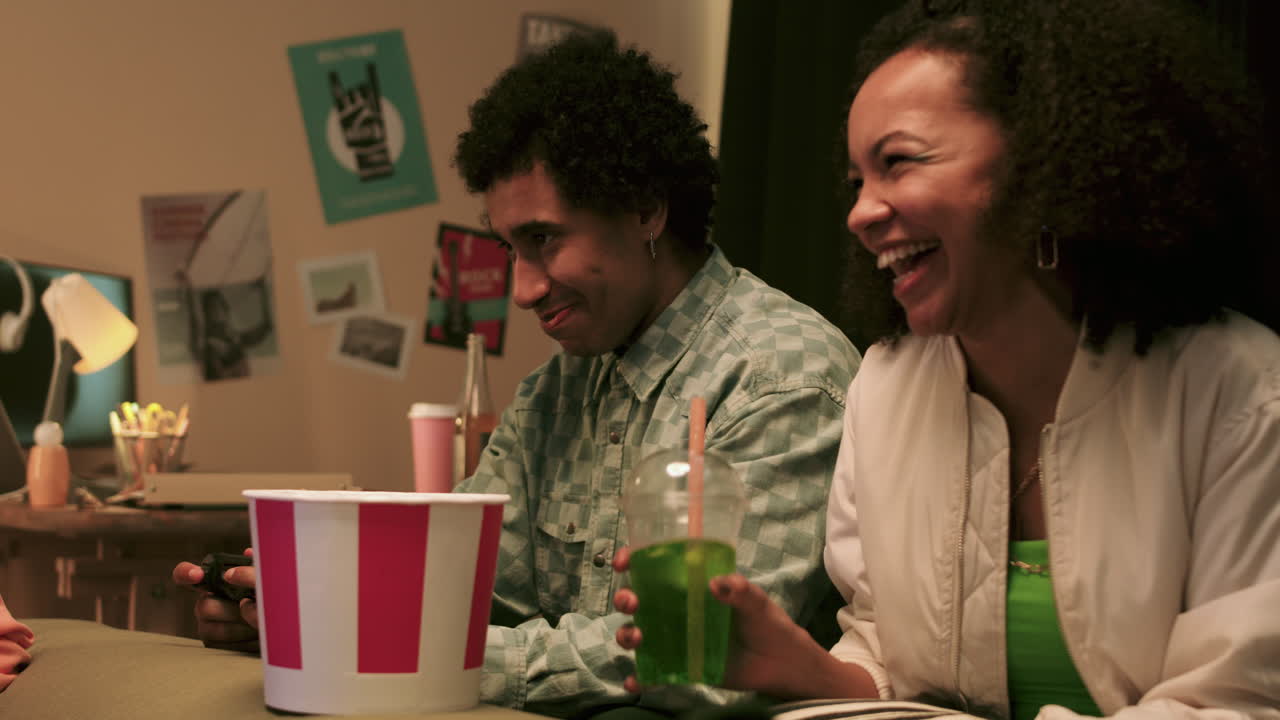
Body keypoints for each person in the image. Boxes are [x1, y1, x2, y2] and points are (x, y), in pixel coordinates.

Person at [614, 0, 1280, 718]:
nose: (861, 213)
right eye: (856, 182)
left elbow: (1236, 700)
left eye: (898, 163)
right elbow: (893, 674)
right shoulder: (887, 387)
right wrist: (793, 665)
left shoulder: (1240, 389)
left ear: (1044, 158)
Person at [173, 33, 862, 719]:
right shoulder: (553, 393)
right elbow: (459, 588)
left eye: (545, 240)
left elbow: (699, 659)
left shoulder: (782, 375)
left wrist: (402, 653)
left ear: (646, 209)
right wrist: (302, 613)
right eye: (510, 249)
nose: (524, 289)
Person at [176, 270, 274, 381]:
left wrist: (263, 292)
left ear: (226, 313)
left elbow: (267, 326)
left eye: (219, 308)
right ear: (207, 315)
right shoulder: (204, 343)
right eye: (211, 309)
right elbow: (194, 319)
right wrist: (187, 287)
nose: (216, 312)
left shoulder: (237, 340)